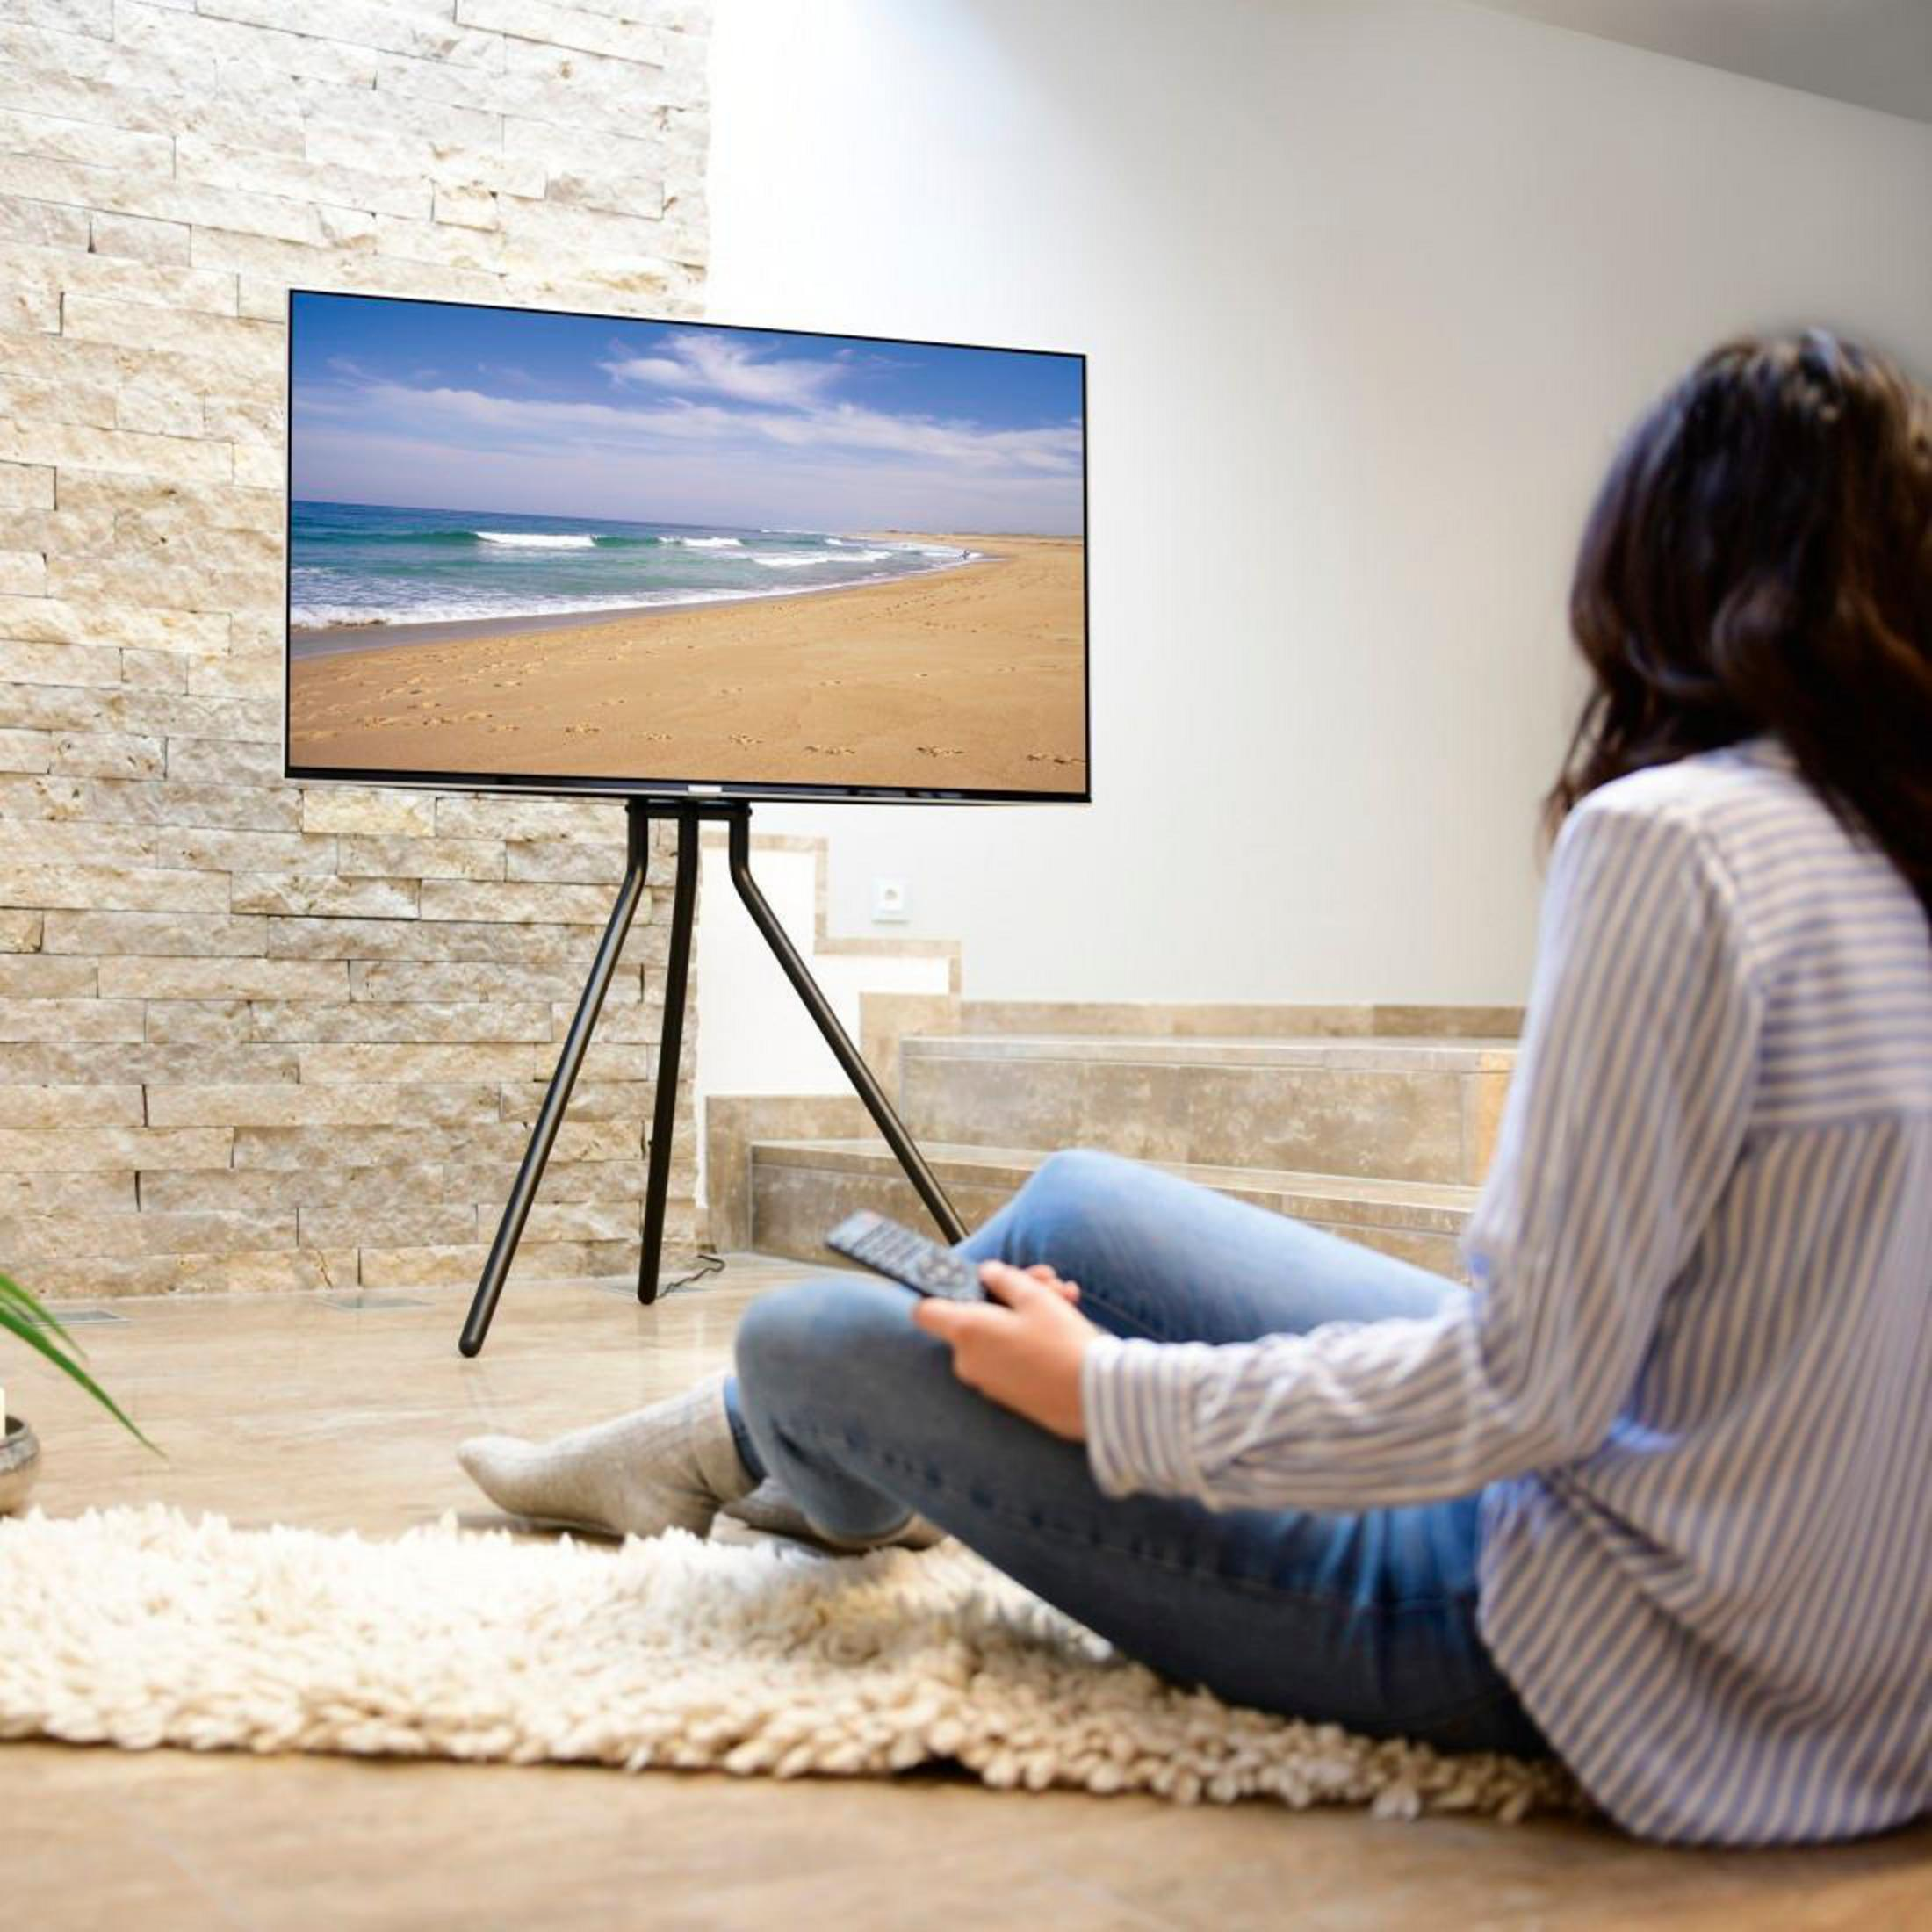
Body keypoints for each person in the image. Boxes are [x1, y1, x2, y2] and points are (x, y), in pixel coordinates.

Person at [458, 331, 1931, 1847]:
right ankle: (775, 1457)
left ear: (1657, 567)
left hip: (1632, 1648)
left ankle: (774, 1446)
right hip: (1863, 1648)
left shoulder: (1675, 842)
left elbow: (1522, 1389)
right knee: (1082, 1207)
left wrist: (1109, 1396)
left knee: (805, 1337)